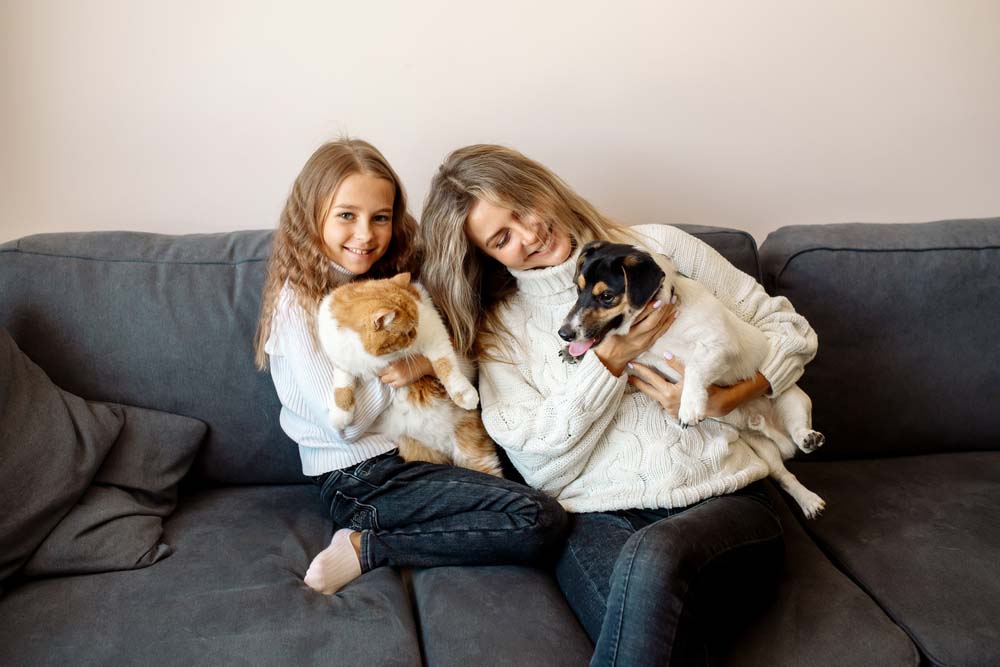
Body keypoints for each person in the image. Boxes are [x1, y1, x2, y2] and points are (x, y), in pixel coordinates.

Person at [419, 144, 818, 665]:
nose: (530, 232)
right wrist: (609, 359)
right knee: (661, 635)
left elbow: (791, 332)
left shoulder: (657, 250)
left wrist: (729, 397)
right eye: (502, 238)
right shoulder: (500, 331)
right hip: (598, 521)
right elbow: (538, 464)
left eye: (522, 206)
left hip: (724, 496)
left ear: (543, 183)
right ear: (488, 258)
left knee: (653, 562)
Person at [253, 139, 566, 595]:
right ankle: (370, 548)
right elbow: (348, 425)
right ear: (310, 214)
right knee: (538, 519)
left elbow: (457, 358)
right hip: (361, 476)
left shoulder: (390, 277)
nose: (365, 235)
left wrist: (424, 363)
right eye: (346, 215)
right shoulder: (297, 305)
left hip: (420, 447)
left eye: (379, 217)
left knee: (539, 478)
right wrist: (403, 366)